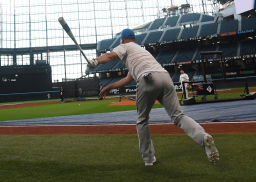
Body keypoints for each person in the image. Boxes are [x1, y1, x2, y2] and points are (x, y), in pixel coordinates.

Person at [89, 28, 219, 166]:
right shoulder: (140, 51)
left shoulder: (124, 46)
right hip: (165, 77)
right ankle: (203, 137)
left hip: (148, 78)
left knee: (142, 120)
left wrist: (95, 61)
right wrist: (109, 87)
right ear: (134, 39)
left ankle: (148, 159)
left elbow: (109, 56)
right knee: (178, 116)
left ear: (122, 39)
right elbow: (128, 79)